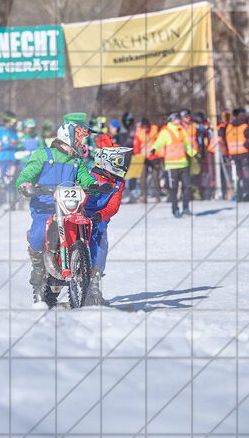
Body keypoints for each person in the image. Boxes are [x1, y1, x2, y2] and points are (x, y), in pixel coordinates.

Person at [15, 114, 97, 306]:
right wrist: (25, 183)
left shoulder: (77, 161)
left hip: (70, 208)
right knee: (37, 234)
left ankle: (85, 270)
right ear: (68, 134)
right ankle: (37, 265)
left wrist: (95, 185)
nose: (81, 140)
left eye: (83, 137)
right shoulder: (43, 154)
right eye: (79, 136)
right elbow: (28, 172)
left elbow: (86, 179)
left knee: (86, 227)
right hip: (45, 206)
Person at [82, 146, 130, 306]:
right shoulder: (90, 176)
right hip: (81, 214)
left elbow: (114, 206)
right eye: (119, 162)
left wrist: (100, 216)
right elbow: (80, 197)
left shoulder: (118, 182)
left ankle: (93, 286)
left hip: (100, 218)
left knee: (101, 246)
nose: (123, 167)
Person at [151, 112, 197, 217]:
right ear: (172, 120)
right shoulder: (166, 132)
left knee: (187, 186)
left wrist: (194, 154)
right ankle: (175, 209)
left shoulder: (182, 130)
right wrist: (154, 149)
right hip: (172, 166)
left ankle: (185, 208)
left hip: (183, 164)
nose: (179, 120)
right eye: (177, 119)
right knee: (174, 189)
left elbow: (186, 146)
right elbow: (159, 142)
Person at [0, 110, 21, 209]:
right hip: (1, 158)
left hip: (12, 159)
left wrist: (18, 143)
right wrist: (10, 143)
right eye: (12, 121)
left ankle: (11, 202)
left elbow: (18, 141)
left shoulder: (13, 131)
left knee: (9, 180)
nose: (14, 123)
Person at [224, 108, 249, 202]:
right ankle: (245, 194)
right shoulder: (244, 126)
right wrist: (247, 144)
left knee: (239, 176)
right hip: (243, 154)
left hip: (234, 155)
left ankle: (239, 195)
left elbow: (225, 141)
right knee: (246, 175)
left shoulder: (229, 127)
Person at [135, 117, 163, 203]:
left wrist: (160, 155)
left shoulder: (155, 129)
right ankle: (144, 196)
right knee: (143, 177)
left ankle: (158, 197)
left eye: (146, 127)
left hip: (155, 157)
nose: (144, 129)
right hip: (144, 158)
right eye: (143, 127)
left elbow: (160, 140)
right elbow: (136, 145)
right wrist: (137, 155)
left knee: (155, 177)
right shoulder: (139, 132)